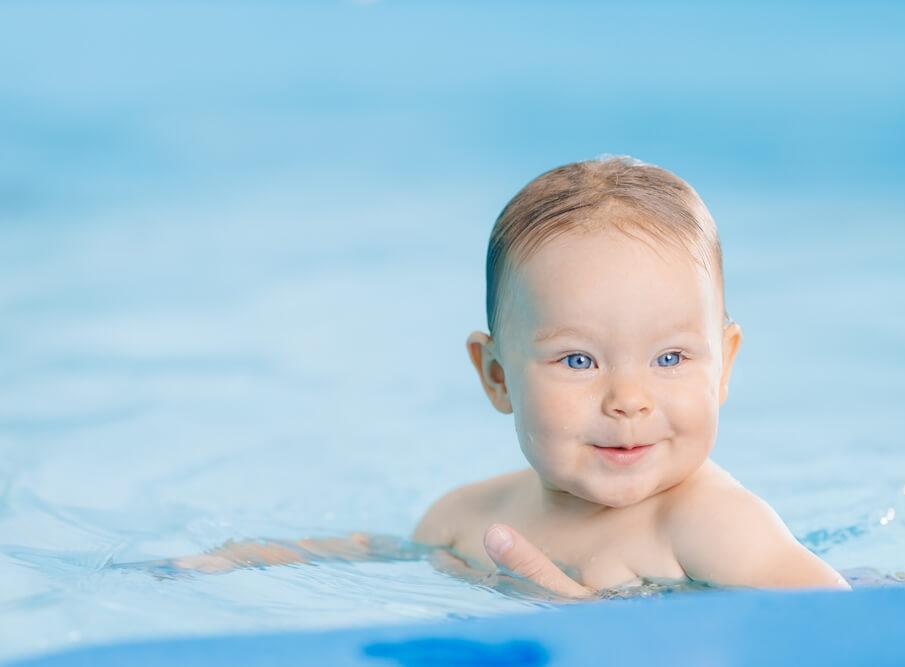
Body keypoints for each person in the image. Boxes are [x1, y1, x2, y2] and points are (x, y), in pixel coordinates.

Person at [141, 156, 848, 596]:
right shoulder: (464, 517)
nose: (628, 400)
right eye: (578, 359)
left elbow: (843, 631)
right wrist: (247, 558)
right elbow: (384, 555)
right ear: (497, 375)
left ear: (724, 364)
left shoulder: (709, 525)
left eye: (670, 358)